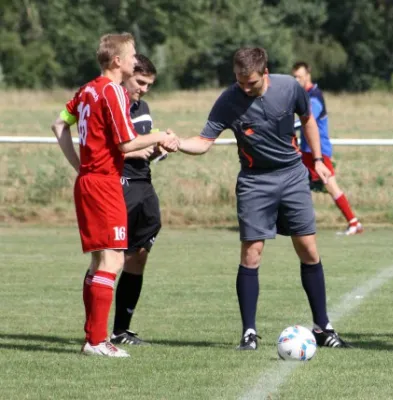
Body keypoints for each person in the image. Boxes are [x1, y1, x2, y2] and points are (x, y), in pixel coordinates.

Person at [177, 47, 350, 350]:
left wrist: (319, 158)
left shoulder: (289, 87)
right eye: (240, 81)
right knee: (252, 253)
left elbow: (308, 119)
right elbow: (204, 142)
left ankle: (323, 327)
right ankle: (249, 333)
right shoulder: (229, 100)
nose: (245, 88)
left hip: (293, 175)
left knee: (308, 248)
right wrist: (175, 142)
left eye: (252, 83)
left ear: (265, 73)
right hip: (255, 181)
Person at [50, 33, 178, 357]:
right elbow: (125, 143)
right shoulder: (112, 92)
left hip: (88, 181)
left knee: (98, 262)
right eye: (133, 55)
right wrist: (160, 135)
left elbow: (58, 125)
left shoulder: (86, 90)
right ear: (118, 61)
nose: (136, 59)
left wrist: (79, 165)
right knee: (114, 258)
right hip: (106, 183)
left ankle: (92, 337)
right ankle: (97, 341)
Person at [110, 54, 163, 346]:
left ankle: (120, 330)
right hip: (118, 185)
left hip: (144, 185)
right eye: (140, 82)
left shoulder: (143, 108)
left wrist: (156, 149)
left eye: (149, 85)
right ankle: (94, 333)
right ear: (127, 74)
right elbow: (100, 148)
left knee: (138, 257)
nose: (143, 89)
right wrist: (132, 152)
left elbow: (141, 144)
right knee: (109, 259)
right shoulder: (110, 103)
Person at [291, 61, 363, 235]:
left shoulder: (314, 96)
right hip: (307, 151)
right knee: (292, 182)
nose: (296, 79)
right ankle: (352, 222)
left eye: (299, 76)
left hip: (318, 152)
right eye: (294, 76)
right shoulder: (301, 94)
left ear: (308, 75)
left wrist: (286, 127)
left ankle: (353, 223)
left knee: (330, 186)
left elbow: (308, 120)